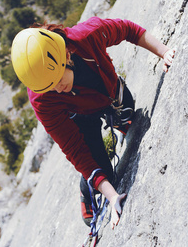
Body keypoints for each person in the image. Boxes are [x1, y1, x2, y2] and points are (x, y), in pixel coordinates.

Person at [11, 17, 175, 230]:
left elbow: (129, 30)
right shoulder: (42, 99)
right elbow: (74, 149)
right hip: (78, 118)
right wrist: (111, 195)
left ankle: (117, 119)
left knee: (127, 112)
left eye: (59, 81)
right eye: (50, 88)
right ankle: (86, 189)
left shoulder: (87, 36)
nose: (59, 90)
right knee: (104, 177)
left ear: (65, 55)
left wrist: (164, 52)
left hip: (105, 93)